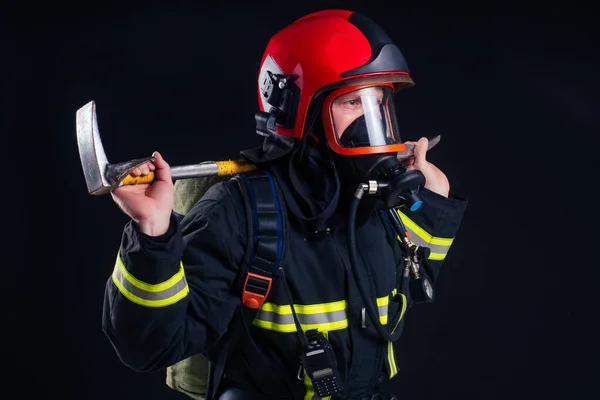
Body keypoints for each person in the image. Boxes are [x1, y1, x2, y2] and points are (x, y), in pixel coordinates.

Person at [102, 9, 468, 400]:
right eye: (353, 103)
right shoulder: (239, 214)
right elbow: (151, 347)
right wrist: (153, 235)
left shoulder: (375, 205)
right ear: (302, 113)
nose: (373, 119)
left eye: (380, 102)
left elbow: (410, 285)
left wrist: (431, 206)